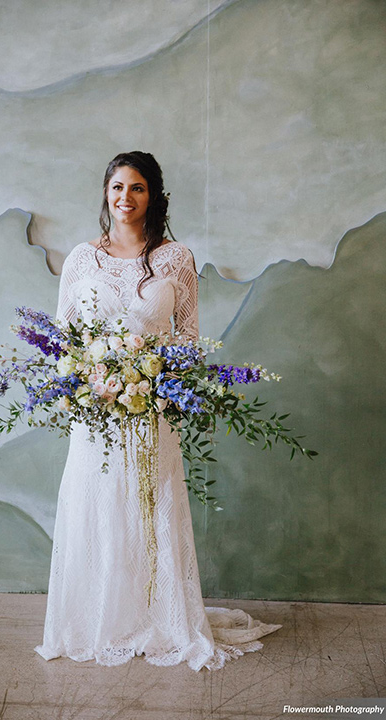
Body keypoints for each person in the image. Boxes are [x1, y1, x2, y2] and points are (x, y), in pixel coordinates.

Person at [34, 151, 281, 671]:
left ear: (155, 195)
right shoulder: (81, 259)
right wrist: (92, 382)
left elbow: (187, 340)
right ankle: (98, 620)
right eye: (118, 187)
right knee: (96, 505)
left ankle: (162, 620)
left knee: (152, 506)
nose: (126, 198)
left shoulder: (176, 259)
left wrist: (157, 382)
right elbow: (63, 340)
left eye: (138, 188)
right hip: (96, 411)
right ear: (106, 193)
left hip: (152, 408)